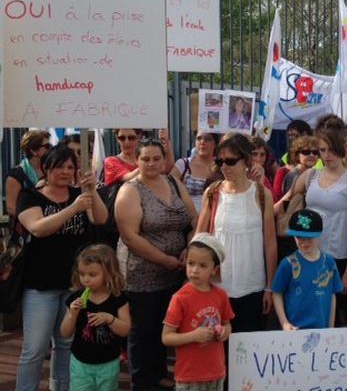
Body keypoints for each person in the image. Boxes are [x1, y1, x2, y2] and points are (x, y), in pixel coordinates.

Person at [15, 145, 108, 391]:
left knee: (66, 343)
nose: (65, 172)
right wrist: (73, 208)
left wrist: (91, 193)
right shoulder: (30, 196)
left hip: (74, 284)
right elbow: (37, 227)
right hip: (40, 285)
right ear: (46, 168)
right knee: (35, 348)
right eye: (59, 167)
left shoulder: (79, 194)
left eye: (70, 167)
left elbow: (100, 218)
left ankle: (62, 388)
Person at [115, 139, 197, 390]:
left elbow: (194, 218)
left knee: (164, 324)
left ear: (164, 160)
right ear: (137, 161)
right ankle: (141, 382)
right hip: (142, 272)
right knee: (143, 330)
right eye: (145, 159)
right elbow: (130, 236)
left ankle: (159, 374)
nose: (151, 164)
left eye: (156, 159)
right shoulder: (130, 190)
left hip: (174, 270)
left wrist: (188, 249)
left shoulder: (173, 182)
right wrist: (166, 260)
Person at [196, 133, 277, 333]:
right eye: (220, 161)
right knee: (218, 349)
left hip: (253, 285)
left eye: (231, 161)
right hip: (217, 286)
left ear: (246, 161)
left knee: (247, 349)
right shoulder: (212, 193)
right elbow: (200, 238)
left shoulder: (261, 194)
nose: (224, 166)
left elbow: (270, 244)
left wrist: (269, 287)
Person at [291, 126, 347, 325]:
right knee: (307, 307)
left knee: (333, 312)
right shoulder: (311, 176)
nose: (327, 155)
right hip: (308, 251)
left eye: (331, 149)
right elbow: (288, 199)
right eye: (322, 150)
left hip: (336, 255)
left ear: (341, 149)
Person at [162, 233, 234, 391]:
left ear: (214, 270)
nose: (194, 270)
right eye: (191, 263)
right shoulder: (179, 298)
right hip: (189, 376)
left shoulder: (221, 295)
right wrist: (194, 336)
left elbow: (227, 325)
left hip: (216, 372)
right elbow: (166, 337)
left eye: (202, 266)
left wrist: (224, 332)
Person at [60, 244, 131, 391]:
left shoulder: (118, 298)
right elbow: (65, 333)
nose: (85, 279)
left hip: (108, 362)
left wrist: (110, 319)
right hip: (80, 363)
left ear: (108, 273)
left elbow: (125, 330)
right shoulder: (76, 298)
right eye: (82, 274)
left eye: (92, 275)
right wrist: (73, 314)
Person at [272, 209, 343, 330]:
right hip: (295, 330)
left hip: (322, 329)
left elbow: (332, 294)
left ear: (319, 235)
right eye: (299, 237)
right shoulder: (288, 264)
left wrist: (331, 326)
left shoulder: (329, 262)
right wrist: (284, 322)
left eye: (309, 237)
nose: (304, 242)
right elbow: (277, 292)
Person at [104, 128, 174, 187]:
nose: (126, 142)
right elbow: (128, 178)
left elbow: (166, 169)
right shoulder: (111, 161)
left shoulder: (146, 160)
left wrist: (167, 142)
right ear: (117, 138)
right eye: (122, 138)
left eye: (131, 138)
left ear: (139, 137)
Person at [5, 130, 51, 220]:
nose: (51, 149)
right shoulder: (16, 175)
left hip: (51, 222)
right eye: (47, 146)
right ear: (34, 151)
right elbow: (11, 208)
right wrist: (33, 222)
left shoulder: (51, 170)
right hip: (26, 226)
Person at [170, 131, 220, 213]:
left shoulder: (223, 167)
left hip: (213, 219)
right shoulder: (183, 164)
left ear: (215, 144)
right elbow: (168, 189)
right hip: (186, 220)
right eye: (199, 138)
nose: (202, 142)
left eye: (207, 139)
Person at [273, 136, 319, 203]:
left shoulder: (317, 174)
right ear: (297, 155)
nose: (311, 155)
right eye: (306, 152)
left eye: (315, 152)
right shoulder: (293, 176)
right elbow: (291, 203)